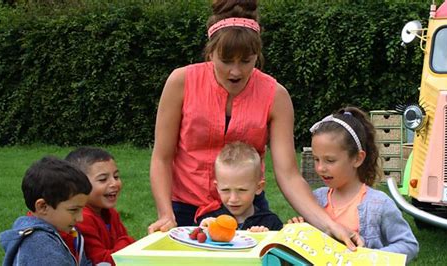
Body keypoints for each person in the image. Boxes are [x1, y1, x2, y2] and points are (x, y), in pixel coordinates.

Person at [148, 0, 360, 249]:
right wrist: (166, 214)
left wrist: (330, 225)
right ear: (210, 53)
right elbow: (162, 157)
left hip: (251, 213)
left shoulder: (276, 96)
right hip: (185, 210)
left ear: (257, 56)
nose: (235, 71)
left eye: (246, 61)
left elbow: (289, 175)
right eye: (226, 61)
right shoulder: (181, 81)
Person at [288, 106, 419, 263]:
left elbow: (409, 245)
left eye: (330, 160)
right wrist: (298, 231)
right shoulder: (315, 199)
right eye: (316, 159)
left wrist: (368, 258)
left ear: (357, 158)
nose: (320, 168)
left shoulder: (379, 204)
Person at [0, 156, 93, 266]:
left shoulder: (66, 233)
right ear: (43, 206)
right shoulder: (38, 245)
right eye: (73, 210)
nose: (80, 218)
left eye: (82, 209)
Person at [65, 147, 135, 265]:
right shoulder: (82, 218)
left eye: (116, 176)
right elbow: (104, 262)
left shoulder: (110, 213)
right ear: (79, 185)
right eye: (103, 179)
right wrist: (131, 241)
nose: (114, 183)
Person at [198, 141, 282, 232]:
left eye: (242, 190)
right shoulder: (209, 219)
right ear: (217, 187)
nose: (233, 199)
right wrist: (203, 232)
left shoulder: (271, 223)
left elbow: (280, 245)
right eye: (225, 190)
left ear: (259, 188)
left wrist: (263, 237)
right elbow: (192, 241)